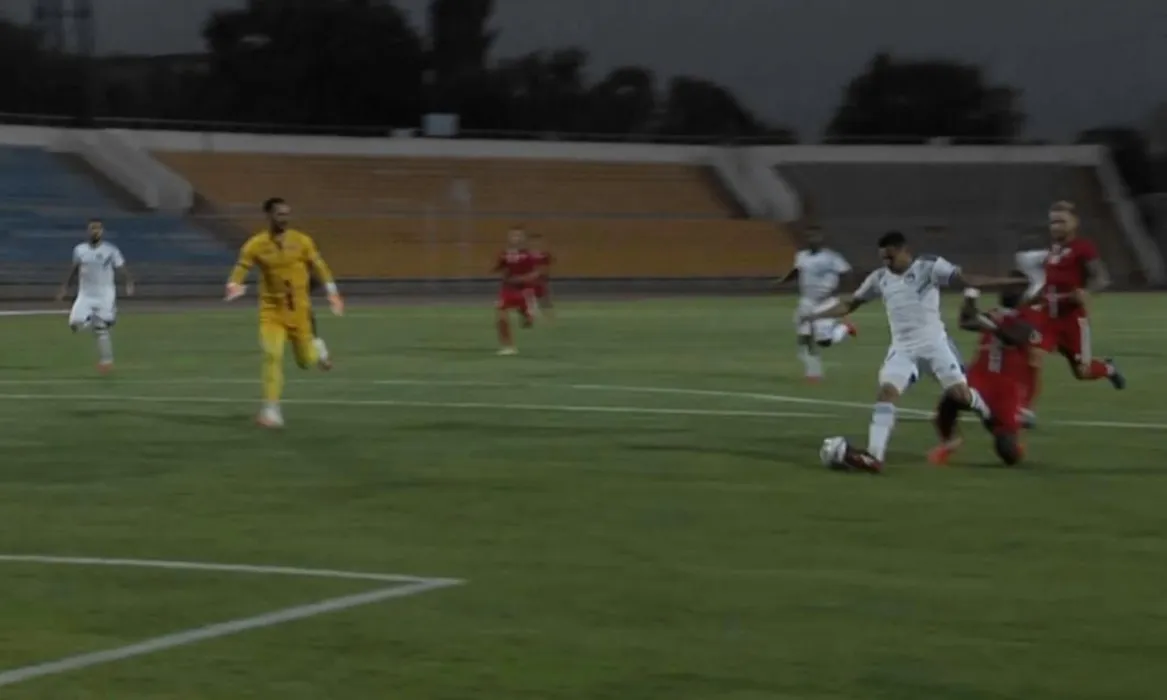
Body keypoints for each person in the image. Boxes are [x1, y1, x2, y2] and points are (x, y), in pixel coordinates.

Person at [801, 230, 1024, 472]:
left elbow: (967, 280)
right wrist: (815, 315)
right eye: (883, 258)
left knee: (960, 395)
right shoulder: (879, 278)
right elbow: (849, 304)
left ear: (905, 251)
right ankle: (874, 457)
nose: (887, 262)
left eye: (891, 257)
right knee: (886, 393)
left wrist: (1007, 283)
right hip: (903, 349)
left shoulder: (929, 267)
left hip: (935, 345)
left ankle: (985, 411)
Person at [225, 197, 344, 428]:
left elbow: (320, 267)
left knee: (305, 362)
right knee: (272, 355)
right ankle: (272, 410)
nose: (284, 218)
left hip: (299, 312)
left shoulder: (302, 241)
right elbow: (242, 266)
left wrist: (332, 293)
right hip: (271, 312)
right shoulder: (255, 244)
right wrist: (233, 284)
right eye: (280, 214)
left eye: (287, 214)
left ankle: (318, 348)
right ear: (269, 216)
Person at [1012, 200, 1125, 427]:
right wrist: (1028, 301)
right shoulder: (1053, 251)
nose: (1056, 227)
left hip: (1073, 320)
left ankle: (1108, 369)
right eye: (1053, 222)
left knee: (1083, 371)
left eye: (1061, 221)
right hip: (1048, 318)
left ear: (1075, 222)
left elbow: (1101, 278)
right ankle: (1026, 410)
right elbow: (1050, 285)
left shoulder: (1084, 248)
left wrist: (1086, 291)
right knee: (1034, 354)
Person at [928, 283, 1042, 466]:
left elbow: (1015, 336)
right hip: (979, 379)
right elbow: (966, 322)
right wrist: (970, 297)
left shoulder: (1028, 320)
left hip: (1003, 393)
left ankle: (1012, 437)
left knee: (1007, 453)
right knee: (950, 400)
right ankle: (949, 442)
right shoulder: (995, 315)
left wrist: (992, 324)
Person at [775, 226, 857, 382]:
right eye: (809, 237)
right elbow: (797, 271)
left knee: (824, 341)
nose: (812, 240)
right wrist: (781, 281)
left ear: (821, 239)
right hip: (807, 301)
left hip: (826, 302)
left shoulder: (832, 257)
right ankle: (813, 373)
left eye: (815, 237)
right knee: (804, 337)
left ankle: (845, 328)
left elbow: (847, 273)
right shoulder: (802, 256)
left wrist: (847, 293)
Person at [57, 218, 134, 373]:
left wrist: (129, 282)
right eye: (92, 228)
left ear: (102, 231)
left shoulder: (111, 251)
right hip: (85, 294)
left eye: (98, 228)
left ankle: (106, 361)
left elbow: (122, 268)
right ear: (88, 231)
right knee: (75, 324)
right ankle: (100, 321)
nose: (95, 231)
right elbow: (74, 269)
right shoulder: (80, 250)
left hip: (105, 295)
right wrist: (65, 287)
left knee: (101, 329)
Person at [494, 226, 540, 355]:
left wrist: (521, 279)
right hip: (507, 289)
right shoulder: (505, 254)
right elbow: (500, 268)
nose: (515, 238)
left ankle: (527, 314)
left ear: (523, 239)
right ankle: (508, 346)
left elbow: (535, 273)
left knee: (527, 322)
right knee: (501, 315)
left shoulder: (528, 256)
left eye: (518, 236)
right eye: (513, 236)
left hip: (524, 291)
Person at [527, 230, 554, 321]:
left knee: (545, 303)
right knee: (529, 304)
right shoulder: (526, 255)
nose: (535, 244)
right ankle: (530, 319)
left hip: (541, 283)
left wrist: (539, 274)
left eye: (537, 241)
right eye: (533, 241)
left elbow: (546, 269)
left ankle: (549, 319)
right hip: (529, 284)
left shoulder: (544, 255)